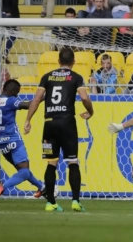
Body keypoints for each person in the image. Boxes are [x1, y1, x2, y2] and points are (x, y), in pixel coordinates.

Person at [24, 48, 94, 212]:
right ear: (73, 62)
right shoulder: (76, 77)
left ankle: (51, 203)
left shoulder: (47, 77)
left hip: (49, 123)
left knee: (51, 163)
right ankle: (75, 201)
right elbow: (84, 97)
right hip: (67, 122)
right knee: (73, 162)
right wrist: (91, 112)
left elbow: (36, 99)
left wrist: (28, 119)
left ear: (58, 61)